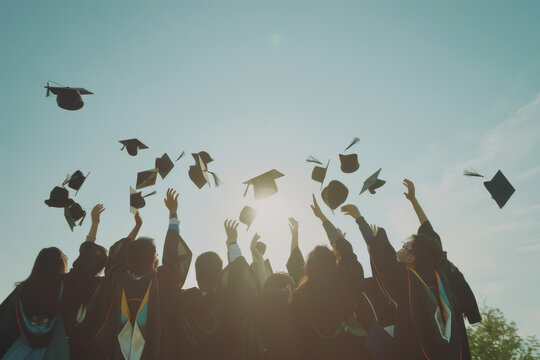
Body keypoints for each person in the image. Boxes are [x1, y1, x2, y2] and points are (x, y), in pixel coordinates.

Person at [78, 188, 192, 360]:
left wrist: (135, 230)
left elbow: (117, 259)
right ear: (153, 259)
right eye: (155, 256)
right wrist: (173, 214)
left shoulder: (119, 282)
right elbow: (172, 256)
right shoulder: (160, 281)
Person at [341, 202, 463, 360]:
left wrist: (359, 219)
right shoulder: (440, 280)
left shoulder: (410, 283)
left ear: (412, 258)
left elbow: (383, 257)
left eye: (405, 247)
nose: (401, 248)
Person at [0, 204, 108, 360]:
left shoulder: (22, 291)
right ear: (60, 265)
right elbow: (86, 262)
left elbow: (5, 331)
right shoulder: (65, 286)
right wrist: (95, 224)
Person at [403, 178, 481, 360]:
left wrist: (414, 200)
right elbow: (427, 227)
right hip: (453, 329)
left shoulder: (420, 272)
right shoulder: (439, 263)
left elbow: (426, 227)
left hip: (441, 332)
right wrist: (413, 200)